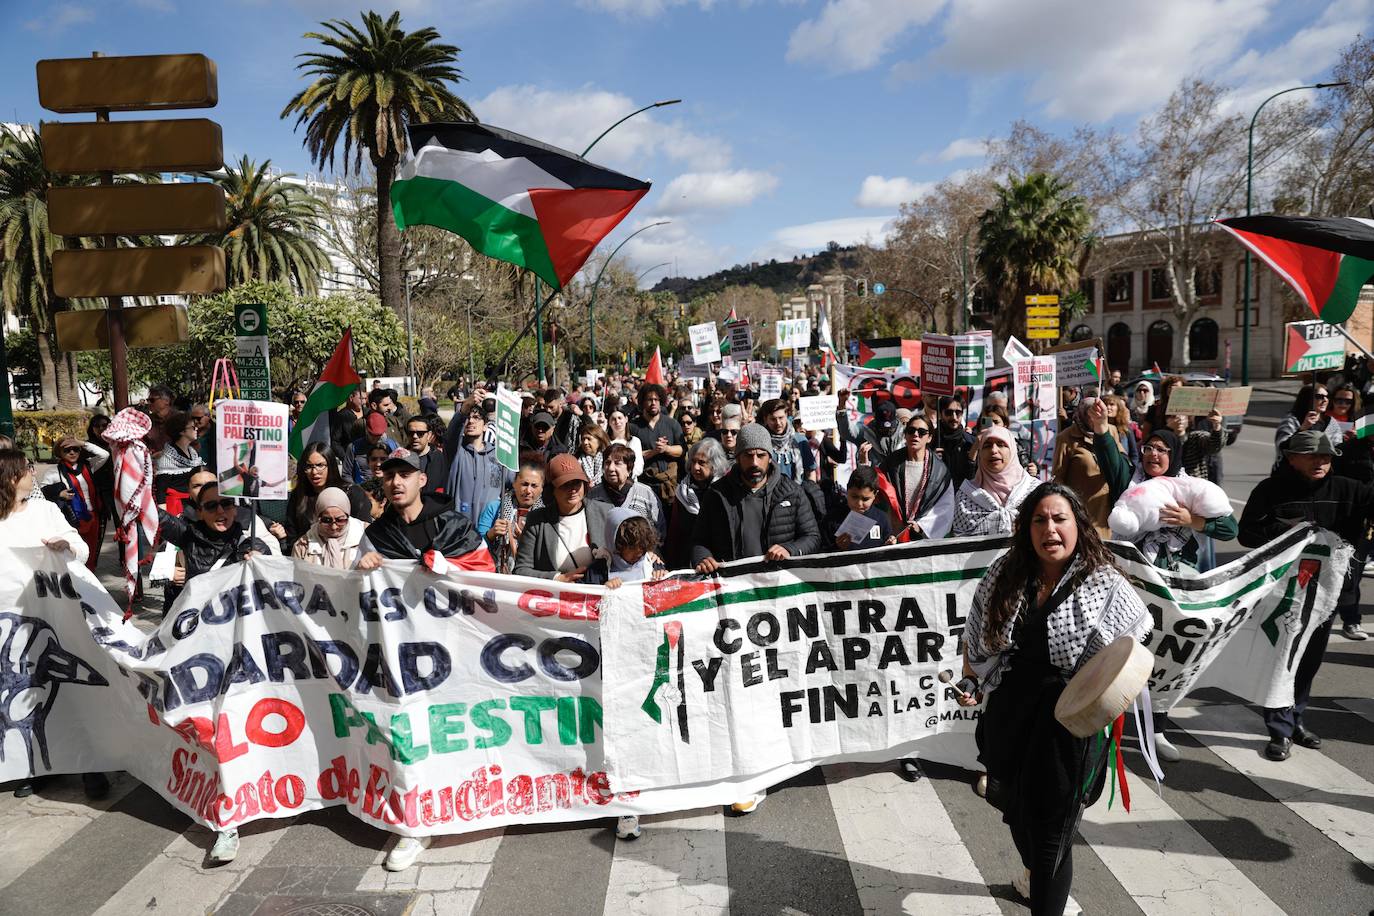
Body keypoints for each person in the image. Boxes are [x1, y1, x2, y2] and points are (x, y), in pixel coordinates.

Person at [959, 483, 1150, 916]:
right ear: (1026, 528)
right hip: (1010, 716)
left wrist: (1106, 687)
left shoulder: (1105, 583)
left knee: (1051, 840)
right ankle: (1032, 875)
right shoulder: (1004, 573)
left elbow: (1135, 644)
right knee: (1014, 812)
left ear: (1078, 525)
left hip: (1068, 729)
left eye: (1060, 518)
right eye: (1039, 520)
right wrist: (971, 682)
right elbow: (975, 640)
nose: (1050, 529)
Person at [690, 423, 820, 814]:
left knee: (776, 682)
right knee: (742, 685)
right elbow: (697, 542)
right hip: (734, 610)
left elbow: (814, 538)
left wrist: (791, 549)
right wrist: (701, 558)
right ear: (737, 457)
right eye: (748, 455)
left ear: (770, 456)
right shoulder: (717, 496)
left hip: (778, 606)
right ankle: (749, 771)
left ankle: (781, 755)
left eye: (761, 455)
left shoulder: (790, 493)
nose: (755, 462)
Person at [1240, 431, 1374, 756]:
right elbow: (1246, 534)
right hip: (1282, 594)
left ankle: (1295, 719)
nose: (1321, 462)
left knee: (1309, 661)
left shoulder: (1347, 489)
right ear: (1291, 457)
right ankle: (1280, 729)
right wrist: (1291, 535)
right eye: (1313, 455)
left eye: (1326, 457)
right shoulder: (1270, 490)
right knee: (1283, 660)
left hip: (1325, 597)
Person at [0, 448, 108, 801]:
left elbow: (80, 548)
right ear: (12, 477)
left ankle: (92, 767)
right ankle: (37, 768)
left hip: (55, 617)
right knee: (26, 693)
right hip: (12, 627)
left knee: (72, 692)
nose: (33, 473)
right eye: (27, 469)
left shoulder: (45, 511)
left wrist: (66, 545)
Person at [356, 449, 493, 577]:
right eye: (389, 476)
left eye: (404, 475)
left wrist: (447, 567)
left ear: (422, 480)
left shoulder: (456, 528)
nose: (396, 482)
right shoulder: (375, 536)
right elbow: (355, 588)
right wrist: (361, 570)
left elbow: (485, 573)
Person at [513, 453, 613, 581]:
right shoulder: (536, 520)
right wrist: (557, 578)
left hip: (597, 594)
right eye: (565, 484)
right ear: (552, 490)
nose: (572, 490)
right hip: (554, 596)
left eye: (576, 483)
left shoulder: (605, 512)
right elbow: (521, 570)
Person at [952, 427, 1040, 537]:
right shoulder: (966, 496)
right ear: (980, 453)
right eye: (987, 446)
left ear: (1012, 450)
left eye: (1001, 444)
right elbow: (960, 543)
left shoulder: (1035, 491)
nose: (993, 450)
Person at [879, 414, 954, 540]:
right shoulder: (891, 462)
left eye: (922, 432)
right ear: (905, 435)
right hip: (892, 535)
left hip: (922, 538)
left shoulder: (940, 470)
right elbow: (876, 493)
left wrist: (921, 526)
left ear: (929, 437)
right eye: (911, 430)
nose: (915, 435)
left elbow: (945, 506)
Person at [41, 435, 110, 571]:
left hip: (93, 515)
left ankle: (90, 577)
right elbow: (42, 491)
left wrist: (82, 443)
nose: (72, 453)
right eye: (67, 450)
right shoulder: (53, 472)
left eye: (75, 449)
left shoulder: (89, 466)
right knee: (75, 550)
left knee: (91, 551)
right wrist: (59, 494)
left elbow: (105, 454)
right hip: (71, 518)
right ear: (59, 453)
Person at [1051, 399, 1117, 539]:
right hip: (1082, 509)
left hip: (1108, 507)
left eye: (1098, 412)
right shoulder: (1066, 437)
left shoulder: (1111, 430)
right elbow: (1058, 477)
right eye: (1090, 414)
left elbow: (1121, 462)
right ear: (1081, 414)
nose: (1095, 417)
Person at [285, 443, 372, 543]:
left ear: (330, 465)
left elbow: (365, 532)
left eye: (320, 465)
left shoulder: (353, 494)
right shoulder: (299, 495)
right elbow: (292, 533)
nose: (314, 472)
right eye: (309, 466)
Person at [445, 397, 512, 524]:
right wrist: (463, 411)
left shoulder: (498, 456)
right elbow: (451, 435)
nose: (470, 421)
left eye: (476, 418)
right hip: (459, 529)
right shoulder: (456, 452)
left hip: (489, 530)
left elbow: (514, 481)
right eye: (468, 418)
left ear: (486, 426)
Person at [666, 437, 728, 569]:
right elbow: (675, 531)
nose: (695, 467)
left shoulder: (724, 492)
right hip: (688, 559)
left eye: (702, 463)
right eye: (693, 461)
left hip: (720, 560)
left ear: (715, 464)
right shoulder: (682, 492)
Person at [478, 457, 545, 574]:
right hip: (495, 573)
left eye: (534, 486)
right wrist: (491, 534)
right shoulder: (496, 507)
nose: (528, 490)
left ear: (542, 488)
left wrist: (527, 540)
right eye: (524, 484)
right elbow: (476, 545)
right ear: (514, 483)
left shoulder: (545, 516)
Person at [588, 444, 664, 538]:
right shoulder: (593, 496)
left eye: (617, 463)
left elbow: (659, 530)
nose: (611, 468)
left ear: (629, 469)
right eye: (607, 463)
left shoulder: (646, 494)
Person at [629, 383, 684, 504]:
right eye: (649, 399)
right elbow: (631, 455)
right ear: (642, 402)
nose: (653, 402)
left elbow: (681, 450)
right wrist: (654, 452)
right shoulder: (633, 426)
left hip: (670, 484)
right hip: (645, 485)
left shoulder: (672, 424)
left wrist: (667, 449)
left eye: (656, 399)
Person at [292, 486, 367, 568]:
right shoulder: (303, 545)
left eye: (340, 520)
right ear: (318, 517)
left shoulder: (366, 536)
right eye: (326, 520)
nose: (334, 527)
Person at [823, 465, 893, 550]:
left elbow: (888, 553)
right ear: (847, 490)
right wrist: (837, 547)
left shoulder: (882, 519)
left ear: (875, 495)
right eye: (854, 497)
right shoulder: (832, 519)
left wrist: (891, 545)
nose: (859, 503)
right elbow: (821, 553)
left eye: (865, 499)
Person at [1274, 383, 1341, 463]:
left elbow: (1338, 448)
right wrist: (1302, 429)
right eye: (1319, 397)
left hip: (1321, 469)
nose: (1325, 400)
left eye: (1327, 396)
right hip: (1293, 469)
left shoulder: (1330, 422)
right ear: (1307, 398)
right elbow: (1282, 447)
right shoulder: (1292, 420)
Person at [759, 398, 817, 483]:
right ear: (765, 419)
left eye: (781, 418)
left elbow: (810, 472)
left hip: (797, 493)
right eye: (773, 419)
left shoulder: (799, 441)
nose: (778, 423)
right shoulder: (761, 443)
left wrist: (812, 492)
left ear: (786, 415)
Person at [153, 411, 205, 505]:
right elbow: (161, 492)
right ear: (182, 431)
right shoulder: (166, 459)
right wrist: (165, 517)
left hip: (192, 505)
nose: (196, 429)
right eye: (193, 427)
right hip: (175, 508)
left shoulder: (193, 453)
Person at [402, 416, 448, 499]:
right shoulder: (400, 458)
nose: (415, 436)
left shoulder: (439, 458)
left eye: (420, 433)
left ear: (429, 435)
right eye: (411, 433)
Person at [347, 411, 399, 484]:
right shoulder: (353, 447)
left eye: (379, 436)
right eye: (372, 435)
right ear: (366, 430)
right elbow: (346, 474)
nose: (376, 439)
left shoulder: (393, 446)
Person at [934, 396, 975, 487]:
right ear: (940, 414)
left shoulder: (970, 442)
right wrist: (931, 459)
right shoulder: (931, 440)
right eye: (948, 413)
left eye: (958, 412)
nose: (954, 417)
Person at [1101, 394, 1139, 469]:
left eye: (1112, 404)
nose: (1108, 407)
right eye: (1105, 404)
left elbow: (1134, 454)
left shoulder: (1126, 428)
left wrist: (1131, 468)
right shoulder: (1098, 429)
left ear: (1118, 408)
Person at [575, 422, 610, 488]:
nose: (585, 442)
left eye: (589, 439)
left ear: (599, 440)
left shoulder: (608, 458)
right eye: (583, 439)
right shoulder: (577, 459)